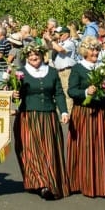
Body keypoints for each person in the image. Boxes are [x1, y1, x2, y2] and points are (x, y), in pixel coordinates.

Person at [65, 36, 105, 199]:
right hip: (85, 113)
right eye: (92, 50)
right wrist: (85, 92)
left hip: (104, 112)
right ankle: (83, 181)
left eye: (97, 49)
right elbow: (71, 91)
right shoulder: (78, 69)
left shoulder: (104, 68)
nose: (95, 52)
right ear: (84, 51)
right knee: (87, 147)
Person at [11, 43, 69, 200]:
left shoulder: (51, 72)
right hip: (28, 117)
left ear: (43, 55)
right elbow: (13, 93)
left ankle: (51, 181)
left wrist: (63, 111)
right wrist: (14, 95)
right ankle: (42, 184)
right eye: (29, 55)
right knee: (33, 151)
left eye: (36, 54)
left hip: (49, 117)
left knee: (49, 150)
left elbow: (58, 93)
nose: (33, 57)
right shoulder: (20, 73)